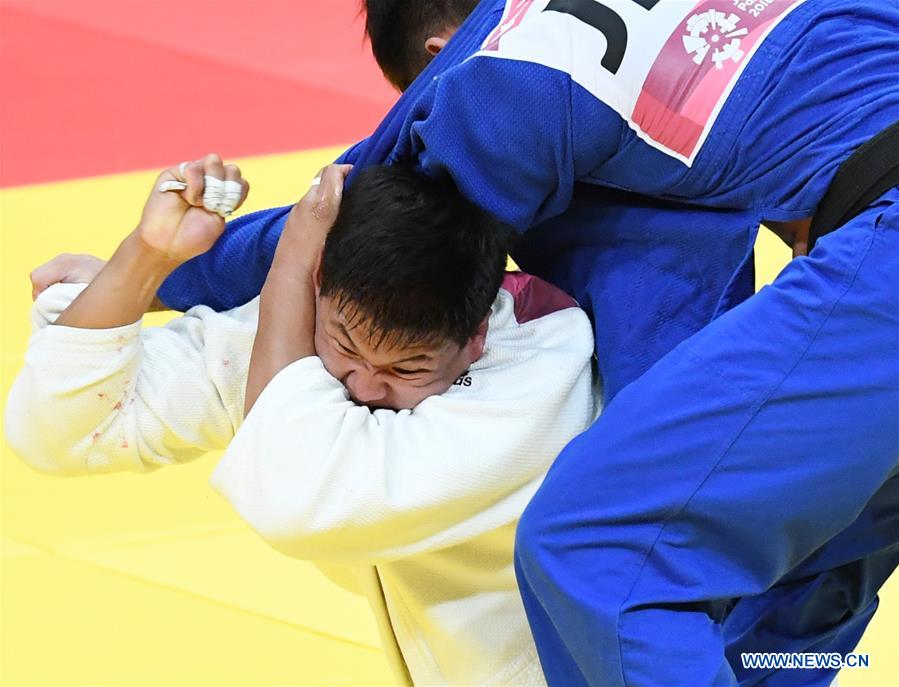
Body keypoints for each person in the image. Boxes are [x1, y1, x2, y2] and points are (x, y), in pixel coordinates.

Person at [148, 1, 899, 685]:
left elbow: (358, 205)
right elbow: (671, 297)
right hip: (869, 265)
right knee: (807, 562)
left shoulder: (496, 71)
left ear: (441, 53)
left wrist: (152, 272)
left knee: (595, 547)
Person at [5, 157, 597, 686]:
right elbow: (58, 433)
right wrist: (149, 258)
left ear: (475, 338)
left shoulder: (537, 372)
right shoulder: (293, 330)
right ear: (322, 290)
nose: (364, 387)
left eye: (407, 368)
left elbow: (297, 498)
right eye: (346, 345)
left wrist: (290, 254)